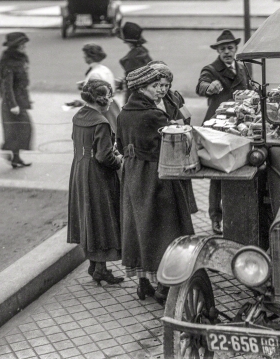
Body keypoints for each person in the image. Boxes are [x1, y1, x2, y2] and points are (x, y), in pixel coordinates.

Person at [116, 65, 195, 304]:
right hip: (156, 176)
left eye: (161, 87)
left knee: (139, 226)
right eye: (154, 87)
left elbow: (120, 146)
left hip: (131, 176)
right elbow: (175, 145)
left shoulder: (123, 114)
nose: (159, 91)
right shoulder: (155, 116)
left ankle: (143, 284)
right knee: (164, 227)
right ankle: (163, 287)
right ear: (141, 88)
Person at [196, 29, 253, 235]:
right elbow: (201, 85)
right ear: (218, 51)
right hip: (218, 128)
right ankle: (215, 217)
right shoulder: (211, 69)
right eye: (223, 49)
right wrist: (208, 87)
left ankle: (235, 213)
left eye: (230, 48)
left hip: (240, 126)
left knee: (238, 169)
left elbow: (251, 90)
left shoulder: (242, 67)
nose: (227, 52)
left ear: (236, 48)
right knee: (218, 174)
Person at [67, 79, 124, 286]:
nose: (111, 100)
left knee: (88, 217)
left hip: (79, 171)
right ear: (101, 99)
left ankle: (95, 265)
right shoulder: (101, 121)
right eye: (109, 96)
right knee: (102, 219)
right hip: (98, 176)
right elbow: (104, 157)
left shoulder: (79, 116)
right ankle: (100, 269)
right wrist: (119, 159)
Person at [150, 61, 198, 215]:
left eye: (166, 85)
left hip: (176, 152)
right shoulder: (145, 102)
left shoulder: (174, 97)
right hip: (157, 157)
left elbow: (187, 118)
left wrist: (173, 125)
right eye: (159, 85)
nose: (163, 89)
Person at [0, 32, 33, 168]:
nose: (25, 47)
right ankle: (8, 151)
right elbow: (7, 86)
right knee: (22, 128)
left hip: (19, 100)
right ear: (15, 46)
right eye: (22, 45)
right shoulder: (9, 62)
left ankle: (15, 158)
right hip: (12, 102)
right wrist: (13, 105)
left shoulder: (20, 58)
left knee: (19, 130)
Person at [76, 44, 121, 133]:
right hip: (111, 105)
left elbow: (95, 96)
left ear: (89, 57)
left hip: (101, 108)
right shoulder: (105, 69)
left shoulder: (94, 74)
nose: (83, 57)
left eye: (85, 55)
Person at [118, 22, 152, 103]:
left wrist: (127, 106)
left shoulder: (131, 58)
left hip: (137, 101)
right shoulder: (142, 51)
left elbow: (131, 88)